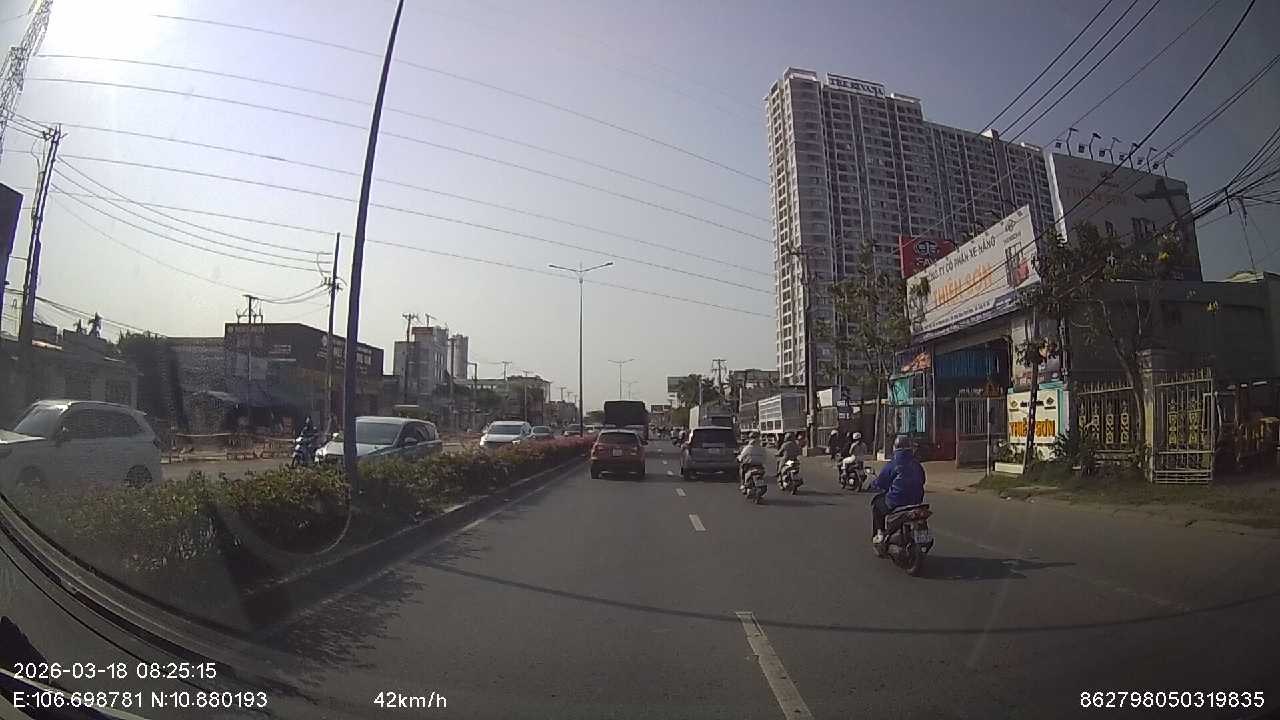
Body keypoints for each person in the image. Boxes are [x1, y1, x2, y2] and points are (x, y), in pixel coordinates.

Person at [870, 435, 926, 543]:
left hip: (896, 501)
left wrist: (874, 484)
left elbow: (882, 481)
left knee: (876, 505)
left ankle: (879, 534)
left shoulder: (894, 463)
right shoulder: (916, 464)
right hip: (916, 500)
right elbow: (923, 480)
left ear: (895, 447)